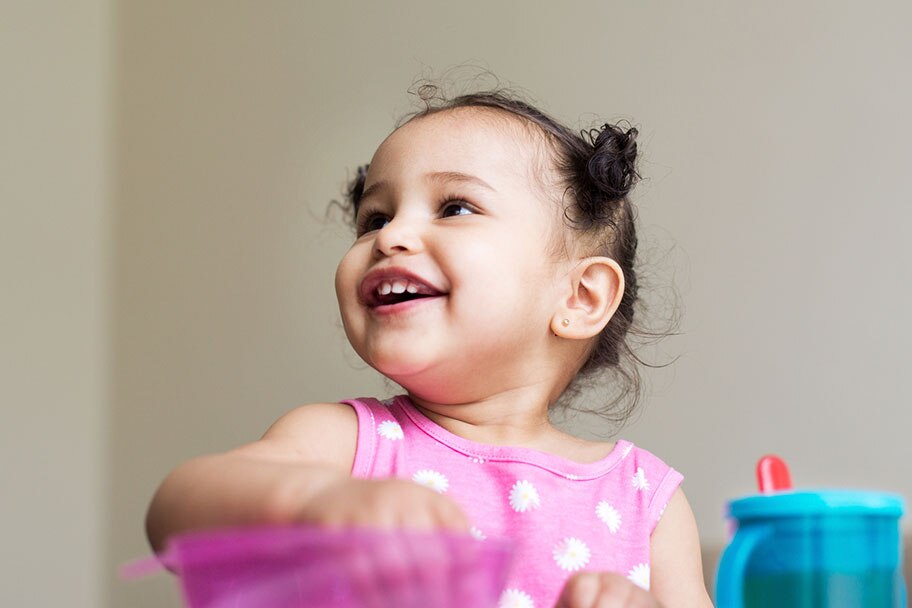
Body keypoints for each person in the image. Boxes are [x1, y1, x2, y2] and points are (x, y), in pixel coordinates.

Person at [146, 85, 713, 608]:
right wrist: (310, 503)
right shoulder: (343, 444)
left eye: (454, 207)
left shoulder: (645, 501)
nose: (389, 236)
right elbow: (174, 508)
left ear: (581, 297)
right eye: (375, 217)